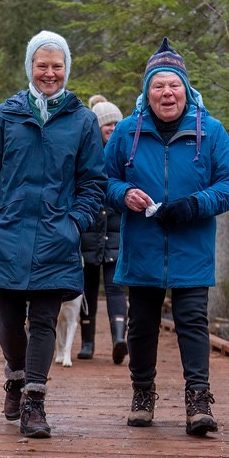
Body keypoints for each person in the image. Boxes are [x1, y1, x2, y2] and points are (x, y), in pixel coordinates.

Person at [104, 37, 229, 436]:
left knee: (192, 322)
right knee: (142, 324)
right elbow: (102, 180)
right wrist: (123, 194)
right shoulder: (128, 131)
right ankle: (142, 395)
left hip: (191, 245)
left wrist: (195, 204)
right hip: (143, 244)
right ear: (146, 93)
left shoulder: (211, 131)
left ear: (187, 88)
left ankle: (198, 400)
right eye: (158, 87)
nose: (167, 93)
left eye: (174, 85)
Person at [0, 30, 106, 438]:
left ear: (67, 69)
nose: (50, 73)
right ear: (30, 67)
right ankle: (14, 376)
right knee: (9, 321)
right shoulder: (6, 114)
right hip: (6, 234)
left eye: (57, 66)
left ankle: (34, 402)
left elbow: (93, 183)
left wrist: (74, 222)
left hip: (56, 237)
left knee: (44, 321)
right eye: (42, 65)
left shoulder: (83, 121)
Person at [77, 95, 128, 365]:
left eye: (116, 124)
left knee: (116, 287)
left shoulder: (126, 155)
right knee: (87, 288)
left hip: (117, 232)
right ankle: (87, 343)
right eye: (106, 124)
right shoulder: (87, 155)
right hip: (88, 233)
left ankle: (120, 338)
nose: (112, 128)